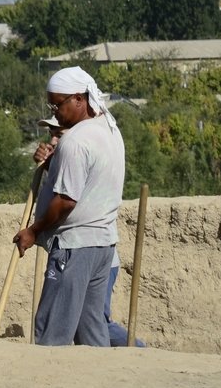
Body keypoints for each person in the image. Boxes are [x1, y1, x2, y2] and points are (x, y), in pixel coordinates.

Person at [15, 66, 125, 346]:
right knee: (91, 333)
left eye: (58, 104)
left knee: (53, 330)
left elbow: (65, 201)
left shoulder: (76, 140)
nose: (55, 111)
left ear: (79, 98)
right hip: (102, 245)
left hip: (75, 247)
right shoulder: (109, 129)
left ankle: (48, 385)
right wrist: (52, 163)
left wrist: (33, 230)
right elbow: (85, 179)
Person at [34, 116, 143, 348]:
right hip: (95, 249)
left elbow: (66, 200)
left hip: (83, 249)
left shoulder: (79, 147)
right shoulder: (77, 149)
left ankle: (137, 350)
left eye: (59, 133)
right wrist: (48, 167)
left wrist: (34, 231)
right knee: (90, 324)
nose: (53, 139)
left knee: (91, 322)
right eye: (51, 133)